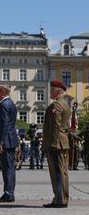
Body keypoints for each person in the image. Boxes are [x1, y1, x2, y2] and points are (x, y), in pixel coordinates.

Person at [42, 80, 71, 208]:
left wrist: (52, 144)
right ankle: (62, 198)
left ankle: (59, 199)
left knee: (57, 172)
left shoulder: (56, 105)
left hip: (56, 143)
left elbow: (55, 126)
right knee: (63, 172)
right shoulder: (65, 104)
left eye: (51, 89)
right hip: (62, 141)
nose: (50, 91)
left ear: (57, 91)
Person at [0, 83, 17, 203]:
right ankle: (9, 192)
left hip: (5, 141)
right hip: (10, 140)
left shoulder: (4, 105)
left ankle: (8, 193)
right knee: (10, 168)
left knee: (7, 168)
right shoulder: (10, 103)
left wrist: (0, 142)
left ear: (3, 92)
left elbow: (5, 125)